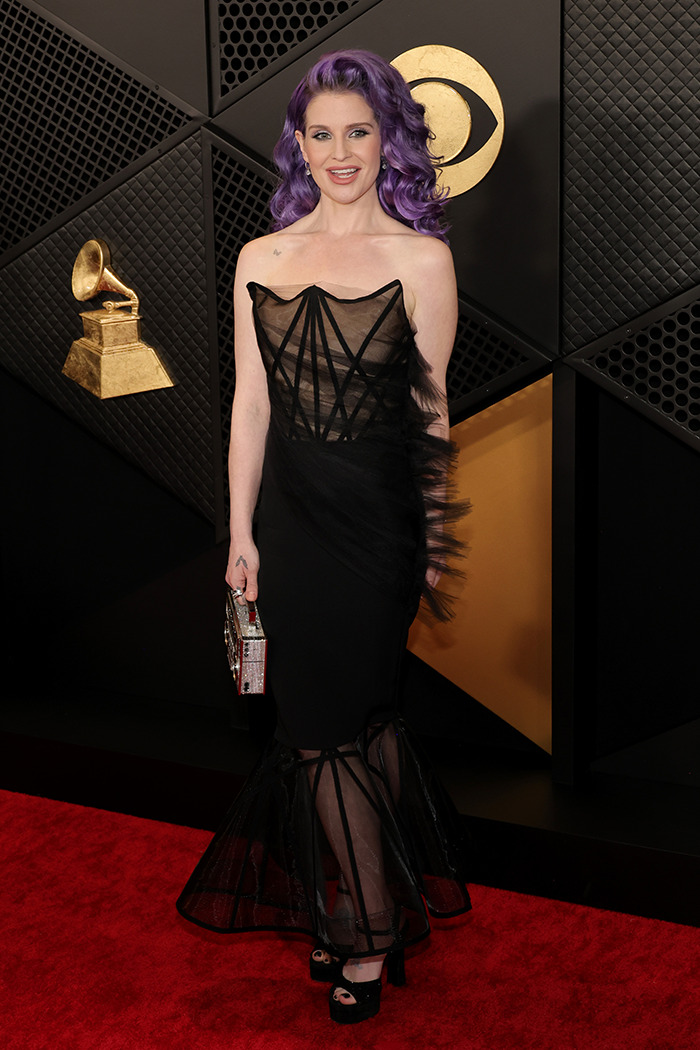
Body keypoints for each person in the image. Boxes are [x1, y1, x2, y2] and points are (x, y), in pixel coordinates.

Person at [177, 48, 471, 1025]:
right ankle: (373, 901)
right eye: (321, 134)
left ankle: (371, 932)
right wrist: (241, 534)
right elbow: (250, 409)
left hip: (378, 530)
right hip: (292, 532)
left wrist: (429, 534)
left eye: (357, 131)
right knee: (343, 727)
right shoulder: (260, 257)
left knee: (332, 733)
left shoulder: (423, 260)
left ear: (386, 137)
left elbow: (429, 418)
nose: (340, 152)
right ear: (298, 144)